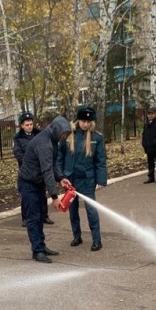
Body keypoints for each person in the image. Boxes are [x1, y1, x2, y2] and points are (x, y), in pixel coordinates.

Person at [18, 115, 72, 263]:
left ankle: (41, 246)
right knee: (34, 218)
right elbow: (47, 170)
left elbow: (52, 164)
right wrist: (54, 197)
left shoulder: (51, 140)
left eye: (66, 134)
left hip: (37, 182)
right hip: (28, 184)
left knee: (41, 215)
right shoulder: (44, 144)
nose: (65, 137)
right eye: (64, 134)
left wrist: (61, 178)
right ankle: (37, 251)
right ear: (56, 130)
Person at [56, 106, 107, 252]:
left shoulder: (96, 138)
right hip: (70, 179)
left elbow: (100, 160)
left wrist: (101, 180)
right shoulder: (67, 136)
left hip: (87, 179)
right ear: (78, 120)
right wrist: (60, 176)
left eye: (88, 121)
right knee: (73, 210)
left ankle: (97, 240)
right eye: (83, 121)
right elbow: (59, 158)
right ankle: (77, 236)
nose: (85, 124)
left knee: (91, 210)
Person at [12, 111, 53, 228]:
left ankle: (44, 215)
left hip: (40, 170)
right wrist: (29, 161)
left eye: (31, 124)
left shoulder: (39, 134)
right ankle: (25, 218)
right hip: (27, 171)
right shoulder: (18, 138)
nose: (30, 126)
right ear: (22, 126)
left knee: (42, 194)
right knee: (27, 196)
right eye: (27, 125)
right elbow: (18, 154)